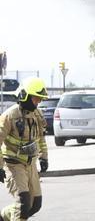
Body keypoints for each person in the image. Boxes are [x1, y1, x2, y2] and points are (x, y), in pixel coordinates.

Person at [0, 77, 49, 221]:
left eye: (40, 99)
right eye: (36, 98)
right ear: (25, 96)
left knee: (35, 205)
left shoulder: (37, 114)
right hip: (14, 165)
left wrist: (44, 157)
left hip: (31, 165)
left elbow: (41, 138)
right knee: (23, 204)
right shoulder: (9, 116)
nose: (38, 102)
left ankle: (4, 216)